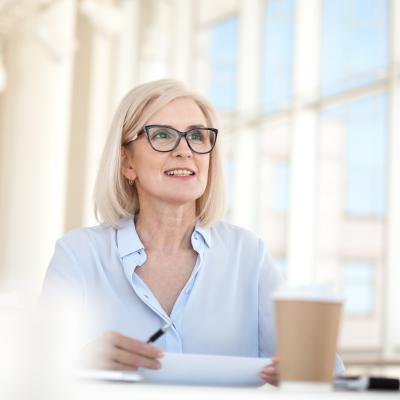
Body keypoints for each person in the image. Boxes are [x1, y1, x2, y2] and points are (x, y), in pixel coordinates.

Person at [40, 79, 342, 386]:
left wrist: (304, 369)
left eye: (197, 136)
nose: (184, 151)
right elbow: (34, 372)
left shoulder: (248, 254)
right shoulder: (78, 255)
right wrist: (79, 361)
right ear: (126, 161)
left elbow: (326, 371)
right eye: (162, 135)